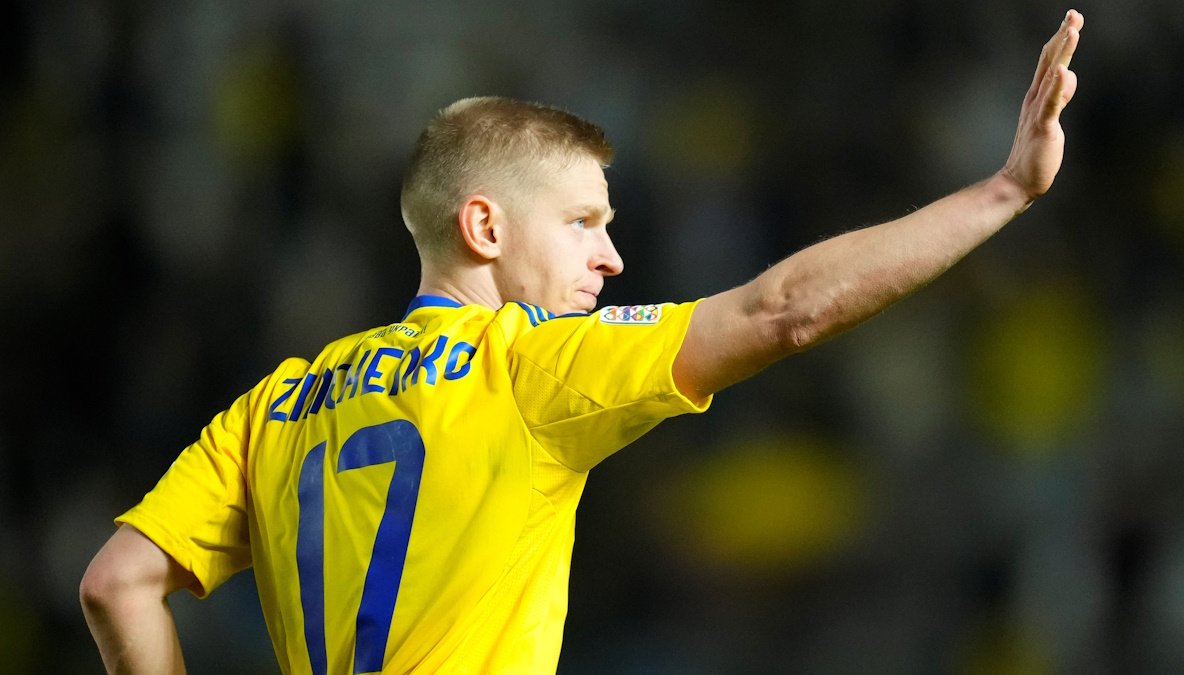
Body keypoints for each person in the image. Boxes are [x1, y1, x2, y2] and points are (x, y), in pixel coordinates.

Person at [80, 10, 1084, 674]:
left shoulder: (276, 404)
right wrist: (1003, 193)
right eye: (582, 223)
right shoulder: (525, 366)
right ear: (485, 227)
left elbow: (117, 584)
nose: (611, 257)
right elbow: (783, 310)